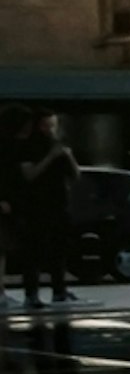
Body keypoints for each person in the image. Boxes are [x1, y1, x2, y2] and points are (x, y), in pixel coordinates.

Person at [9, 110, 76, 310]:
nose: (50, 130)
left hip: (59, 204)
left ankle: (59, 291)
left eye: (53, 126)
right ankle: (32, 294)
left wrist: (69, 157)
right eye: (47, 125)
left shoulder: (58, 146)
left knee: (59, 249)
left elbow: (75, 176)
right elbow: (29, 174)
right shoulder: (28, 147)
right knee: (34, 251)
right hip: (36, 206)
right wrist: (50, 157)